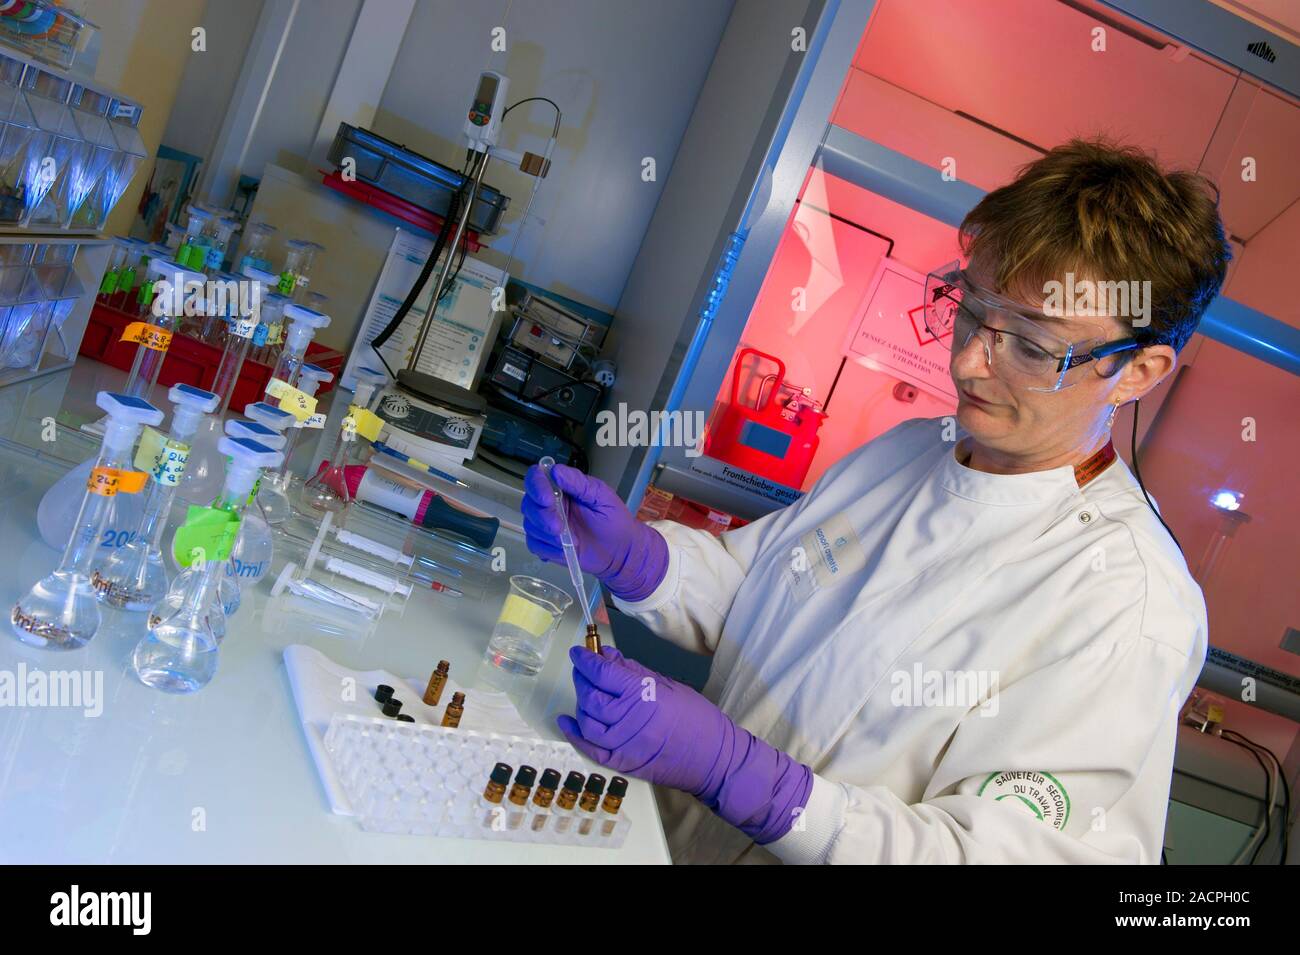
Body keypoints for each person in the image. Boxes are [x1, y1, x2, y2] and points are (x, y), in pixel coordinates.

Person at [522, 138, 1231, 864]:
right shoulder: (912, 448)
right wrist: (643, 559)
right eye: (970, 306)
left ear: (1138, 371)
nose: (966, 360)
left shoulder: (1127, 602)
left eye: (1028, 342)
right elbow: (758, 589)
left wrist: (754, 783)